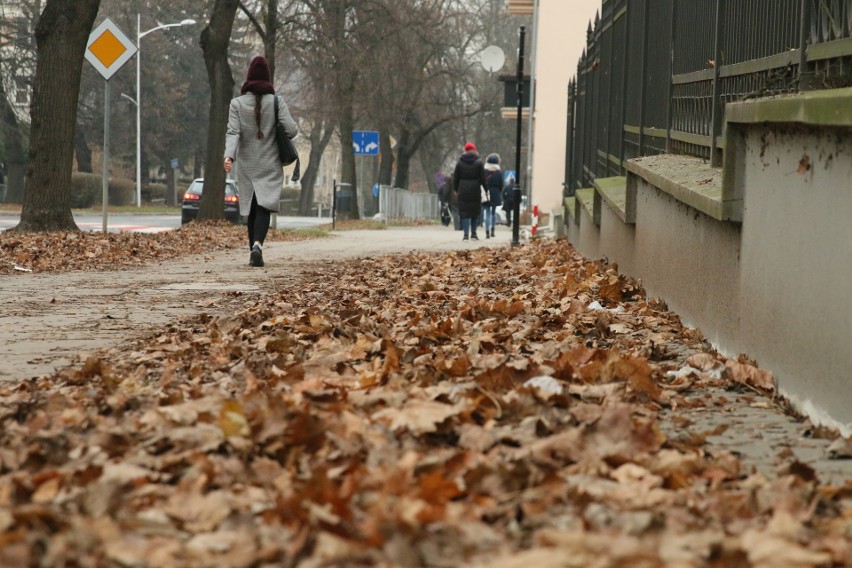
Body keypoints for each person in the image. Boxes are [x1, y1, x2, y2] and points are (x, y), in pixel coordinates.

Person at [224, 55, 298, 267]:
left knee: (252, 208)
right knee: (264, 206)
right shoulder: (277, 102)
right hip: (270, 163)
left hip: (247, 164)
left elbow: (233, 132)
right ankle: (257, 245)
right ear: (267, 78)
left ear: (249, 77)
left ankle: (252, 251)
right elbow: (291, 130)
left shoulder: (236, 104)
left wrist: (228, 156)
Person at [452, 142, 486, 241]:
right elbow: (483, 178)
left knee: (465, 212)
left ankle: (465, 235)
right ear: (474, 150)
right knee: (474, 212)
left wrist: (455, 189)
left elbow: (456, 177)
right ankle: (474, 234)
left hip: (463, 189)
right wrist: (486, 188)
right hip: (475, 189)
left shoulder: (460, 163)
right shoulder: (479, 163)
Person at [483, 153, 503, 238]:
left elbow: (482, 182)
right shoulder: (498, 172)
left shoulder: (485, 171)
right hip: (495, 192)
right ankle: (493, 231)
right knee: (493, 213)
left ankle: (487, 232)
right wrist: (498, 191)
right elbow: (501, 184)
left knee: (487, 212)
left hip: (486, 192)